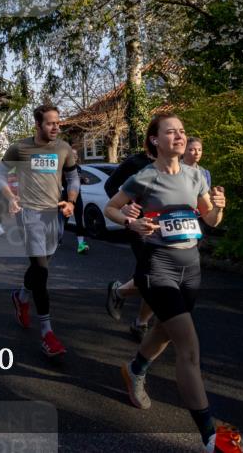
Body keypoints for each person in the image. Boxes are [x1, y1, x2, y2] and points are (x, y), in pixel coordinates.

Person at [104, 113, 240, 453]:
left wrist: (219, 209)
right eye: (171, 132)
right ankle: (210, 435)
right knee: (188, 346)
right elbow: (111, 208)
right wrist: (130, 223)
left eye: (182, 131)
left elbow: (208, 217)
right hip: (158, 266)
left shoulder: (197, 176)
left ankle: (135, 369)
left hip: (191, 266)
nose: (179, 136)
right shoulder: (144, 177)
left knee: (167, 328)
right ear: (155, 140)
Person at [0, 104, 79, 358]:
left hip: (53, 214)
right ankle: (47, 333)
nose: (56, 127)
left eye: (58, 123)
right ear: (38, 125)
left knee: (40, 267)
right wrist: (11, 197)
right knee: (41, 271)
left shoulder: (64, 149)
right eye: (50, 123)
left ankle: (22, 297)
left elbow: (73, 178)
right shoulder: (20, 148)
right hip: (28, 214)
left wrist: (71, 200)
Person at [104, 145, 156, 340]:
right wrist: (125, 207)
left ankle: (136, 316)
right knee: (152, 272)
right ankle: (140, 323)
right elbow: (110, 185)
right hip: (139, 225)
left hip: (164, 227)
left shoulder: (176, 163)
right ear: (155, 138)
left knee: (156, 275)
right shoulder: (136, 162)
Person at [60, 153, 88, 254]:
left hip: (78, 197)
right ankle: (57, 238)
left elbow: (77, 180)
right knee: (63, 221)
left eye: (76, 156)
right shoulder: (63, 168)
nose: (74, 157)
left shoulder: (78, 168)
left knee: (79, 220)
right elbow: (61, 181)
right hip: (66, 197)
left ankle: (81, 244)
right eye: (72, 155)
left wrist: (83, 180)